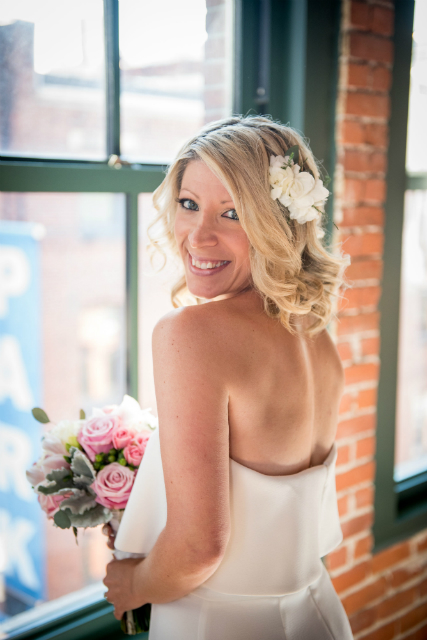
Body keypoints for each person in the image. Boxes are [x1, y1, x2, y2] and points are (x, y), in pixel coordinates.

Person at [102, 115, 354, 639]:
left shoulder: (190, 335)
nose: (198, 235)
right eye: (188, 203)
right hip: (317, 615)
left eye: (232, 213)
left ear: (277, 222)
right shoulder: (314, 331)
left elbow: (200, 547)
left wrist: (132, 584)